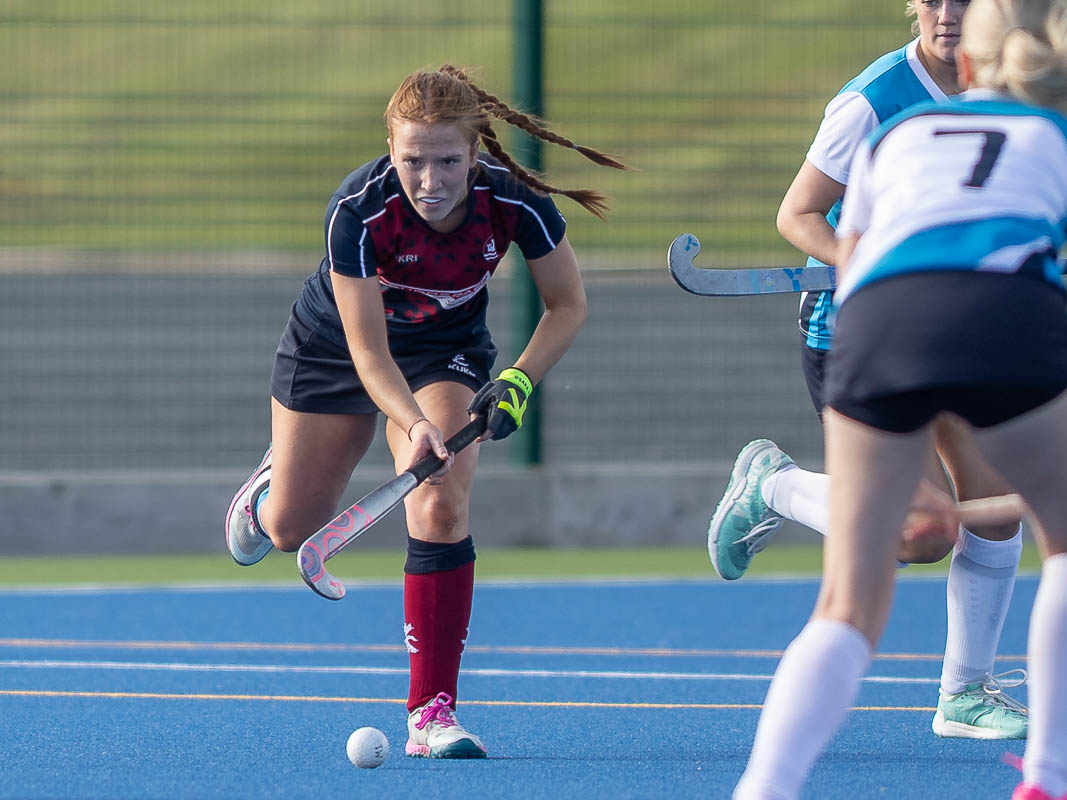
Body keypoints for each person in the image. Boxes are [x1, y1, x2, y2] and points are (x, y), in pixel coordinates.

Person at [224, 65, 628, 759]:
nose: (430, 181)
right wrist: (413, 425)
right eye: (413, 160)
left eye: (447, 161)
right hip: (337, 347)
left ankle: (431, 713)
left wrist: (519, 381)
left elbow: (568, 304)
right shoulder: (359, 210)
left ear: (474, 153)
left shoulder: (514, 201)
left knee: (440, 500)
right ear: (390, 148)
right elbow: (368, 351)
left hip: (444, 351)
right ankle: (265, 493)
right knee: (290, 529)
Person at [732, 1, 1067, 797]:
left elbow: (863, 252)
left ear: (969, 66)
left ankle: (764, 788)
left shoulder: (900, 132)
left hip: (880, 325)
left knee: (848, 602)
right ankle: (1047, 778)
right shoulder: (1049, 134)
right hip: (1001, 317)